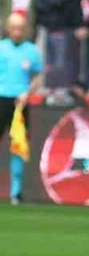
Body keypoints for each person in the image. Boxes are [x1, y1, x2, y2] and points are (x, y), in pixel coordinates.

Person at [0, 12, 43, 204]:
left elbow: (37, 76)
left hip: (20, 103)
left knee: (18, 145)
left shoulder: (32, 51)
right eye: (14, 28)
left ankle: (15, 192)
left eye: (20, 28)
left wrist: (28, 92)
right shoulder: (1, 48)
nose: (17, 32)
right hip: (1, 99)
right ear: (8, 29)